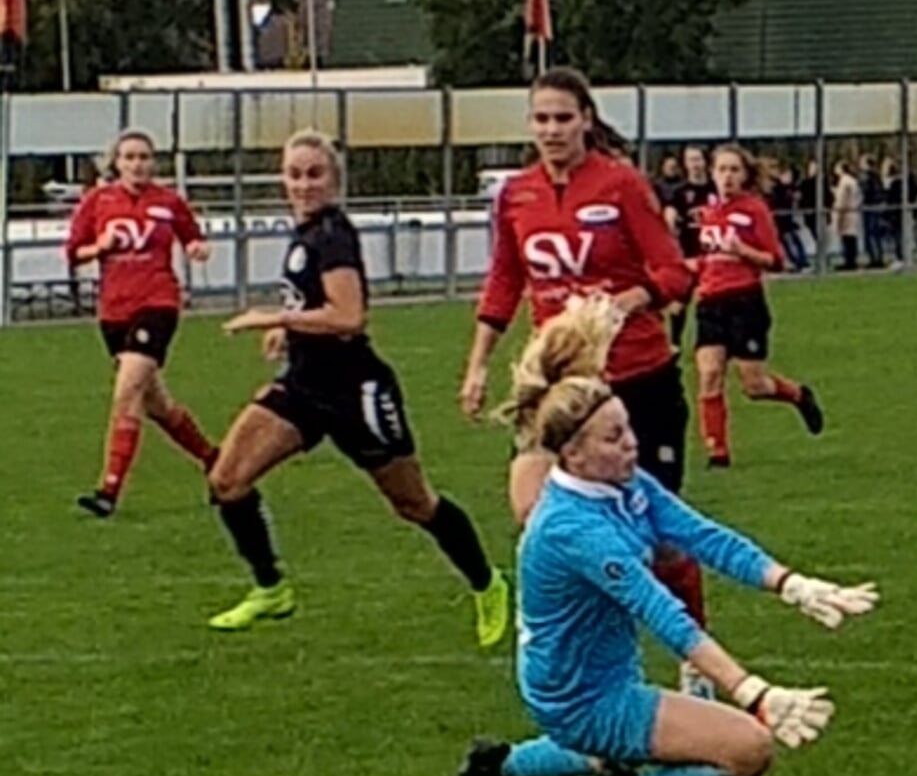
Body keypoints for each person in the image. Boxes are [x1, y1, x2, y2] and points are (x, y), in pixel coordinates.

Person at [458, 296, 877, 776]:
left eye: (628, 427)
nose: (632, 444)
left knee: (624, 740)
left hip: (597, 680)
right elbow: (662, 613)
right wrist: (754, 693)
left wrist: (795, 585)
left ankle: (503, 762)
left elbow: (705, 536)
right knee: (751, 748)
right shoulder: (572, 528)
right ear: (573, 455)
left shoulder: (621, 482)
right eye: (614, 437)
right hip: (580, 699)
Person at [460, 69, 713, 681]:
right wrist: (478, 365)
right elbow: (504, 281)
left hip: (637, 380)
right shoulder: (517, 194)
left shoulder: (622, 185)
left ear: (586, 120)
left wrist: (626, 302)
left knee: (660, 541)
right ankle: (573, 666)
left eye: (563, 118)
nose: (552, 130)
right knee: (536, 517)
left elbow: (677, 274)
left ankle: (695, 662)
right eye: (541, 119)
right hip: (557, 389)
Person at [207, 131, 511, 641]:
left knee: (414, 504)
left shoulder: (332, 236)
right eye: (294, 174)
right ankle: (271, 588)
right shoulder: (304, 233)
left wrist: (274, 317)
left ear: (335, 180)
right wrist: (290, 328)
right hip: (304, 387)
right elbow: (317, 306)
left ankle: (488, 583)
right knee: (226, 479)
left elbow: (348, 316)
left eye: (314, 174)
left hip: (357, 392)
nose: (303, 184)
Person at [64, 129, 221, 517]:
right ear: (116, 162)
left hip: (158, 303)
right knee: (157, 405)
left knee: (126, 390)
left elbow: (193, 238)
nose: (138, 164)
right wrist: (99, 248)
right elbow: (73, 253)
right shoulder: (97, 201)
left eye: (145, 157)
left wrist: (198, 248)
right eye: (130, 157)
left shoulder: (168, 202)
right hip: (114, 311)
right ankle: (215, 460)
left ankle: (109, 491)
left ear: (154, 162)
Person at [693, 144, 826, 467]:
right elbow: (703, 259)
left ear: (745, 175)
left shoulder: (754, 209)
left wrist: (743, 252)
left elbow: (776, 260)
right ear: (712, 174)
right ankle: (718, 453)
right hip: (710, 301)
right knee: (709, 374)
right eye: (722, 169)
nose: (727, 177)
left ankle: (797, 394)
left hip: (745, 300)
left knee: (754, 385)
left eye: (734, 170)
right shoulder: (707, 213)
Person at [662, 146, 716, 351]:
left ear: (705, 162)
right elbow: (669, 215)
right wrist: (670, 224)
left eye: (698, 159)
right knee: (678, 303)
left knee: (709, 300)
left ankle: (709, 342)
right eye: (690, 160)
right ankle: (674, 342)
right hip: (688, 255)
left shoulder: (715, 189)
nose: (694, 164)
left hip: (712, 257)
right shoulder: (680, 192)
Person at [832, 159, 863, 272]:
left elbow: (841, 199)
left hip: (846, 213)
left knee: (847, 238)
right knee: (851, 238)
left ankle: (849, 261)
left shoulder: (844, 182)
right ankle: (851, 260)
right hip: (853, 211)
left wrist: (837, 211)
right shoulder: (853, 181)